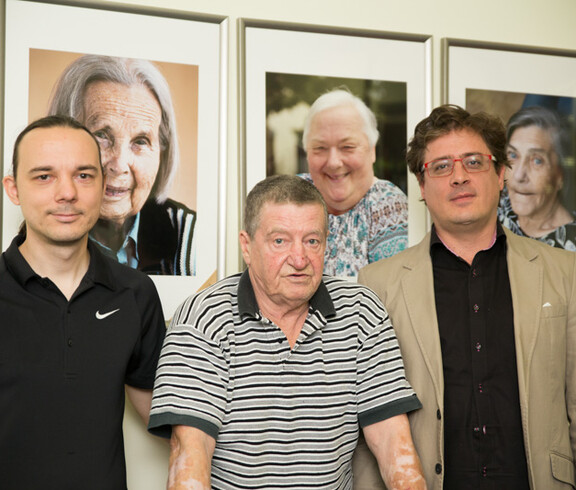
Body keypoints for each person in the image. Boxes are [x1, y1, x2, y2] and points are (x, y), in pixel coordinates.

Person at [148, 175, 425, 489]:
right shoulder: (204, 318)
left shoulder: (362, 313)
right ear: (247, 246)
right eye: (280, 240)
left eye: (312, 241)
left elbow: (393, 445)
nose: (299, 259)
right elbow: (190, 454)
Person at [356, 105, 576, 489]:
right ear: (422, 188)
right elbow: (369, 425)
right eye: (440, 166)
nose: (459, 176)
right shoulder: (378, 285)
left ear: (500, 174)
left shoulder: (564, 274)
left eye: (473, 162)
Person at [0, 116, 166, 489]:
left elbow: (167, 418)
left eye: (84, 176)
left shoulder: (135, 293)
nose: (67, 193)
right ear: (13, 189)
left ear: (103, 184)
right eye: (44, 176)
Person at [48, 54, 196, 275]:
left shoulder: (190, 237)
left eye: (140, 141)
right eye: (101, 136)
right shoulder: (36, 230)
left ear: (162, 153)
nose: (119, 165)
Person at [301, 89, 408, 278]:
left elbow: (388, 295)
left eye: (347, 147)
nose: (334, 162)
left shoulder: (388, 205)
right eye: (320, 148)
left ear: (372, 151)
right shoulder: (291, 195)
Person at [499, 105, 576, 250]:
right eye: (513, 155)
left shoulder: (570, 246)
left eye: (537, 161)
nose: (519, 175)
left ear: (560, 175)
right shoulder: (497, 207)